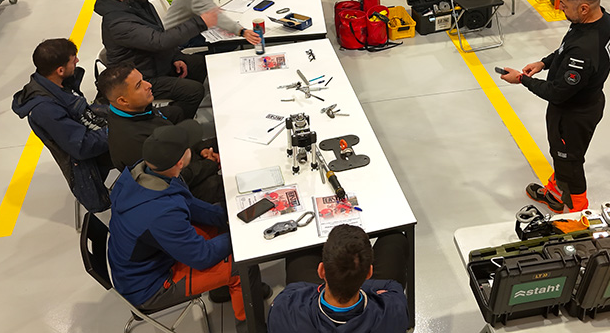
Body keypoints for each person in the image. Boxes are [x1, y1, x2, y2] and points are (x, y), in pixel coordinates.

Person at [107, 121, 264, 331]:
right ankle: (253, 328)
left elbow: (189, 204)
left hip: (149, 259)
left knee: (220, 227)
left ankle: (220, 290)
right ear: (181, 161)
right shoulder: (160, 213)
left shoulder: (146, 171)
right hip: (150, 287)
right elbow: (202, 257)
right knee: (242, 265)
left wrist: (230, 217)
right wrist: (240, 232)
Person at [500, 0, 610, 213]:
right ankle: (556, 190)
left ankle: (575, 212)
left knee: (570, 162)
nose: (560, 9)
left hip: (572, 114)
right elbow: (566, 49)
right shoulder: (601, 21)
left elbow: (557, 92)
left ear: (584, 8)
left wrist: (522, 79)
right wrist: (544, 63)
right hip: (588, 103)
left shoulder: (584, 51)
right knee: (564, 157)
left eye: (564, 5)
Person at [85, 0, 216, 120]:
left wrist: (174, 56)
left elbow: (157, 33)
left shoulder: (137, 0)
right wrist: (201, 22)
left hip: (153, 61)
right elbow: (159, 41)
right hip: (140, 77)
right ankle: (168, 125)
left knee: (200, 64)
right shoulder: (118, 23)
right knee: (193, 91)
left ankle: (190, 108)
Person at [97, 63, 224, 205]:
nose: (148, 85)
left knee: (226, 140)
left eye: (143, 79)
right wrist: (209, 164)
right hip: (179, 190)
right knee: (228, 186)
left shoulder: (138, 109)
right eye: (139, 85)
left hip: (183, 159)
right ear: (123, 100)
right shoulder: (133, 142)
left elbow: (177, 137)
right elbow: (175, 178)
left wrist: (202, 149)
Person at [11, 38, 114, 212]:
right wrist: (117, 131)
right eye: (73, 60)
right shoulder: (46, 110)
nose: (78, 62)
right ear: (60, 70)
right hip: (91, 155)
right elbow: (82, 147)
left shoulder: (58, 85)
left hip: (96, 133)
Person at [269, 224, 409, 333]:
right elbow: (392, 287)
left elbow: (295, 289)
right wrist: (353, 282)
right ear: (369, 273)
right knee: (395, 239)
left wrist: (337, 280)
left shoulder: (284, 308)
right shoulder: (393, 308)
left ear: (321, 270)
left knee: (299, 254)